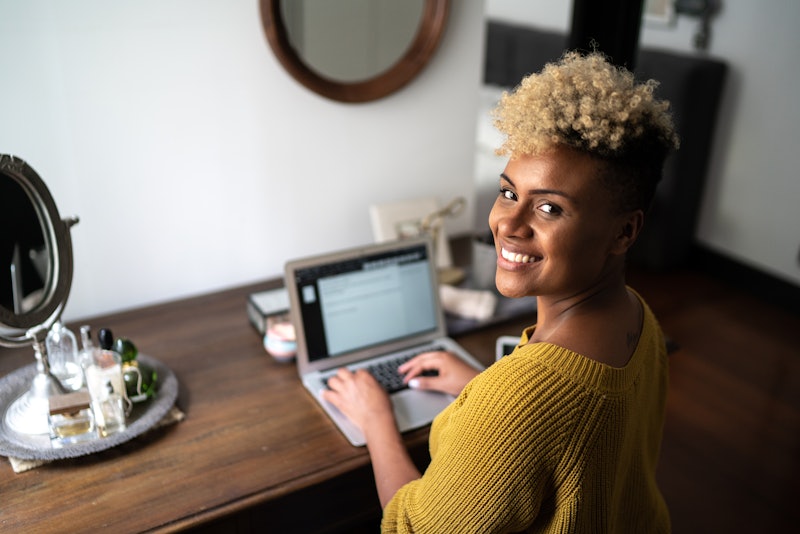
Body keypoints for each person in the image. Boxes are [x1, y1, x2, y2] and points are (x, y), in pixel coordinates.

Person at [322, 51, 680, 533]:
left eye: (550, 208)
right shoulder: (639, 317)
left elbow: (412, 528)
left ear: (623, 233)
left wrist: (376, 421)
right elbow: (574, 440)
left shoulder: (515, 401)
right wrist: (475, 386)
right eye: (509, 192)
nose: (507, 225)